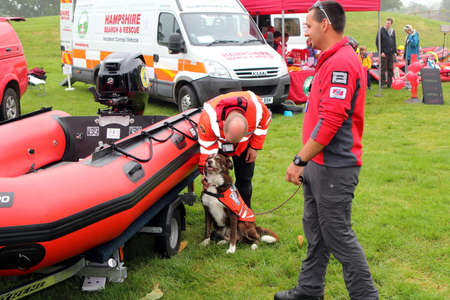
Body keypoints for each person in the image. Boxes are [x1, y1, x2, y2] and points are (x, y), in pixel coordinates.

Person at [275, 1, 379, 300]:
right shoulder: (329, 58)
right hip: (319, 164)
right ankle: (309, 290)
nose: (305, 31)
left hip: (335, 167)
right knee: (316, 233)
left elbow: (332, 121)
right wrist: (308, 160)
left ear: (325, 25)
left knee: (338, 236)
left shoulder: (341, 63)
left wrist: (299, 159)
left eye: (308, 25)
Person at [198, 91, 271, 209]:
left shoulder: (258, 109)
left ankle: (244, 213)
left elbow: (263, 127)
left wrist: (254, 147)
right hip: (218, 147)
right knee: (216, 179)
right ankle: (221, 213)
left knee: (245, 179)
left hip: (245, 146)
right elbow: (207, 150)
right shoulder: (208, 120)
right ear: (224, 127)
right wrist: (205, 173)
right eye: (231, 140)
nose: (233, 144)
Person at [376, 18, 397, 88]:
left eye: (389, 23)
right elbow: (377, 42)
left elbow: (394, 41)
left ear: (391, 24)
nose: (387, 24)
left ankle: (389, 84)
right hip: (384, 53)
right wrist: (381, 51)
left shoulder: (393, 31)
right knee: (383, 69)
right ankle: (382, 84)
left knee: (390, 69)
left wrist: (395, 51)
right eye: (386, 23)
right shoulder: (381, 30)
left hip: (391, 53)